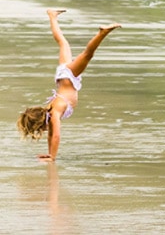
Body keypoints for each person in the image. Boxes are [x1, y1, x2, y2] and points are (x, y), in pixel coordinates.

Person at [17, 9, 121, 162]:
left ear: (40, 123)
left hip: (68, 77)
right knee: (62, 42)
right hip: (63, 77)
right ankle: (52, 15)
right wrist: (50, 153)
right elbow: (52, 134)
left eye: (39, 129)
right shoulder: (50, 113)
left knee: (87, 54)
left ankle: (102, 33)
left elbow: (56, 135)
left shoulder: (55, 113)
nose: (44, 131)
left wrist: (52, 157)